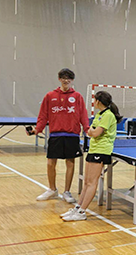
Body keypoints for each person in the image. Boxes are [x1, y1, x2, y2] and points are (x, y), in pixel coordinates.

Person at [30, 68, 89, 204]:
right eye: (63, 78)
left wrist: (87, 129)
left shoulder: (78, 97)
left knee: (70, 163)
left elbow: (83, 115)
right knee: (51, 163)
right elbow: (43, 115)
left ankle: (67, 191)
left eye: (68, 78)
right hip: (56, 134)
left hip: (72, 135)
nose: (66, 80)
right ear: (59, 79)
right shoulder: (50, 96)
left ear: (72, 80)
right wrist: (37, 130)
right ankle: (52, 189)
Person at [61, 91, 122, 221]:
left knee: (92, 182)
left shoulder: (108, 115)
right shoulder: (99, 115)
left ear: (98, 101)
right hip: (93, 149)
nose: (94, 102)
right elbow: (90, 131)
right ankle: (77, 208)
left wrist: (91, 132)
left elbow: (95, 132)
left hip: (101, 150)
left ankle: (82, 212)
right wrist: (91, 131)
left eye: (95, 100)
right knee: (87, 182)